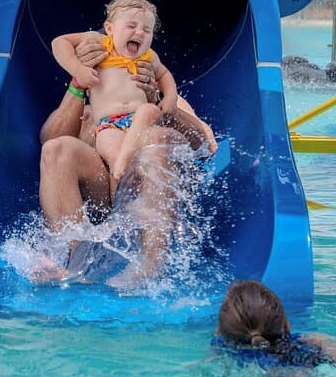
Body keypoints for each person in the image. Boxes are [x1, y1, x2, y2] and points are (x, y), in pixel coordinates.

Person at [39, 34, 216, 287]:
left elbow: (205, 144)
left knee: (155, 137)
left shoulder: (160, 94)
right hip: (106, 191)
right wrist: (79, 81)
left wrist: (158, 103)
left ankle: (151, 265)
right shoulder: (90, 110)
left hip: (151, 189)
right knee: (56, 149)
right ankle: (72, 261)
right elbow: (49, 139)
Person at [52, 0, 179, 182]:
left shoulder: (148, 56)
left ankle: (129, 162)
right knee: (110, 150)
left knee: (149, 110)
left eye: (147, 30)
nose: (139, 32)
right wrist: (77, 69)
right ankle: (120, 169)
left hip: (139, 118)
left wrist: (170, 96)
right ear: (109, 29)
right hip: (108, 123)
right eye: (131, 26)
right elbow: (59, 42)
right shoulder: (100, 43)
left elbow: (164, 74)